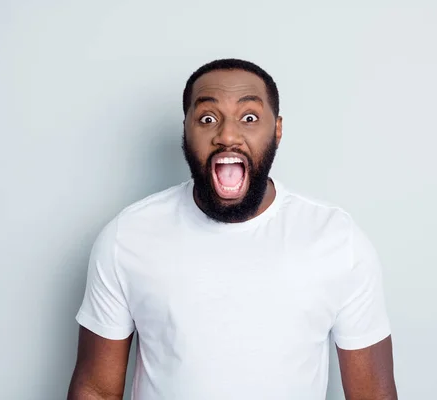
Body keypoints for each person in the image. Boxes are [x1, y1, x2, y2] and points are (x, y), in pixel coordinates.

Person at [67, 58, 398, 400]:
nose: (227, 135)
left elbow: (372, 393)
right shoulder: (128, 236)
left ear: (277, 129)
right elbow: (96, 389)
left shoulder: (337, 239)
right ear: (186, 129)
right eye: (207, 119)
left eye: (249, 118)